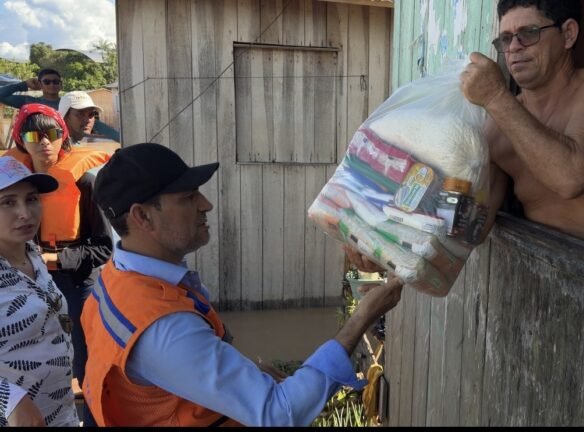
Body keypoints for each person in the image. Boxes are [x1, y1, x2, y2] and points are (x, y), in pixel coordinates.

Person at [82, 142, 404, 427]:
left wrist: (245, 374)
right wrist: (361, 319)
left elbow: (175, 374)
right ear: (143, 217)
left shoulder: (115, 277)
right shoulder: (163, 329)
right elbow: (279, 414)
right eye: (188, 197)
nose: (206, 204)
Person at [459, 0, 584, 262]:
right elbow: (474, 227)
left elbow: (571, 177)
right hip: (547, 276)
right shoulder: (497, 128)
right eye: (506, 38)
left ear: (568, 34)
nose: (514, 47)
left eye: (528, 33)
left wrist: (496, 97)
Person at [6, 103, 113, 424]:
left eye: (52, 133)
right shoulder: (15, 185)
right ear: (21, 141)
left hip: (77, 281)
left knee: (86, 359)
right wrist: (9, 399)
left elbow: (104, 248)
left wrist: (53, 259)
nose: (44, 142)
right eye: (33, 135)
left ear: (63, 135)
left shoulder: (83, 184)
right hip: (31, 278)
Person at [0, 156, 80, 426]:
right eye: (8, 202)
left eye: (32, 199)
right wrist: (9, 399)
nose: (25, 213)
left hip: (62, 414)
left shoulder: (32, 254)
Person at [0, 69, 121, 142]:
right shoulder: (31, 103)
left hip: (69, 146)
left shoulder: (71, 102)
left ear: (61, 85)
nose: (52, 84)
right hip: (42, 146)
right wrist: (24, 85)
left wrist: (122, 139)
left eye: (56, 81)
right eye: (47, 82)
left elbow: (94, 123)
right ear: (40, 84)